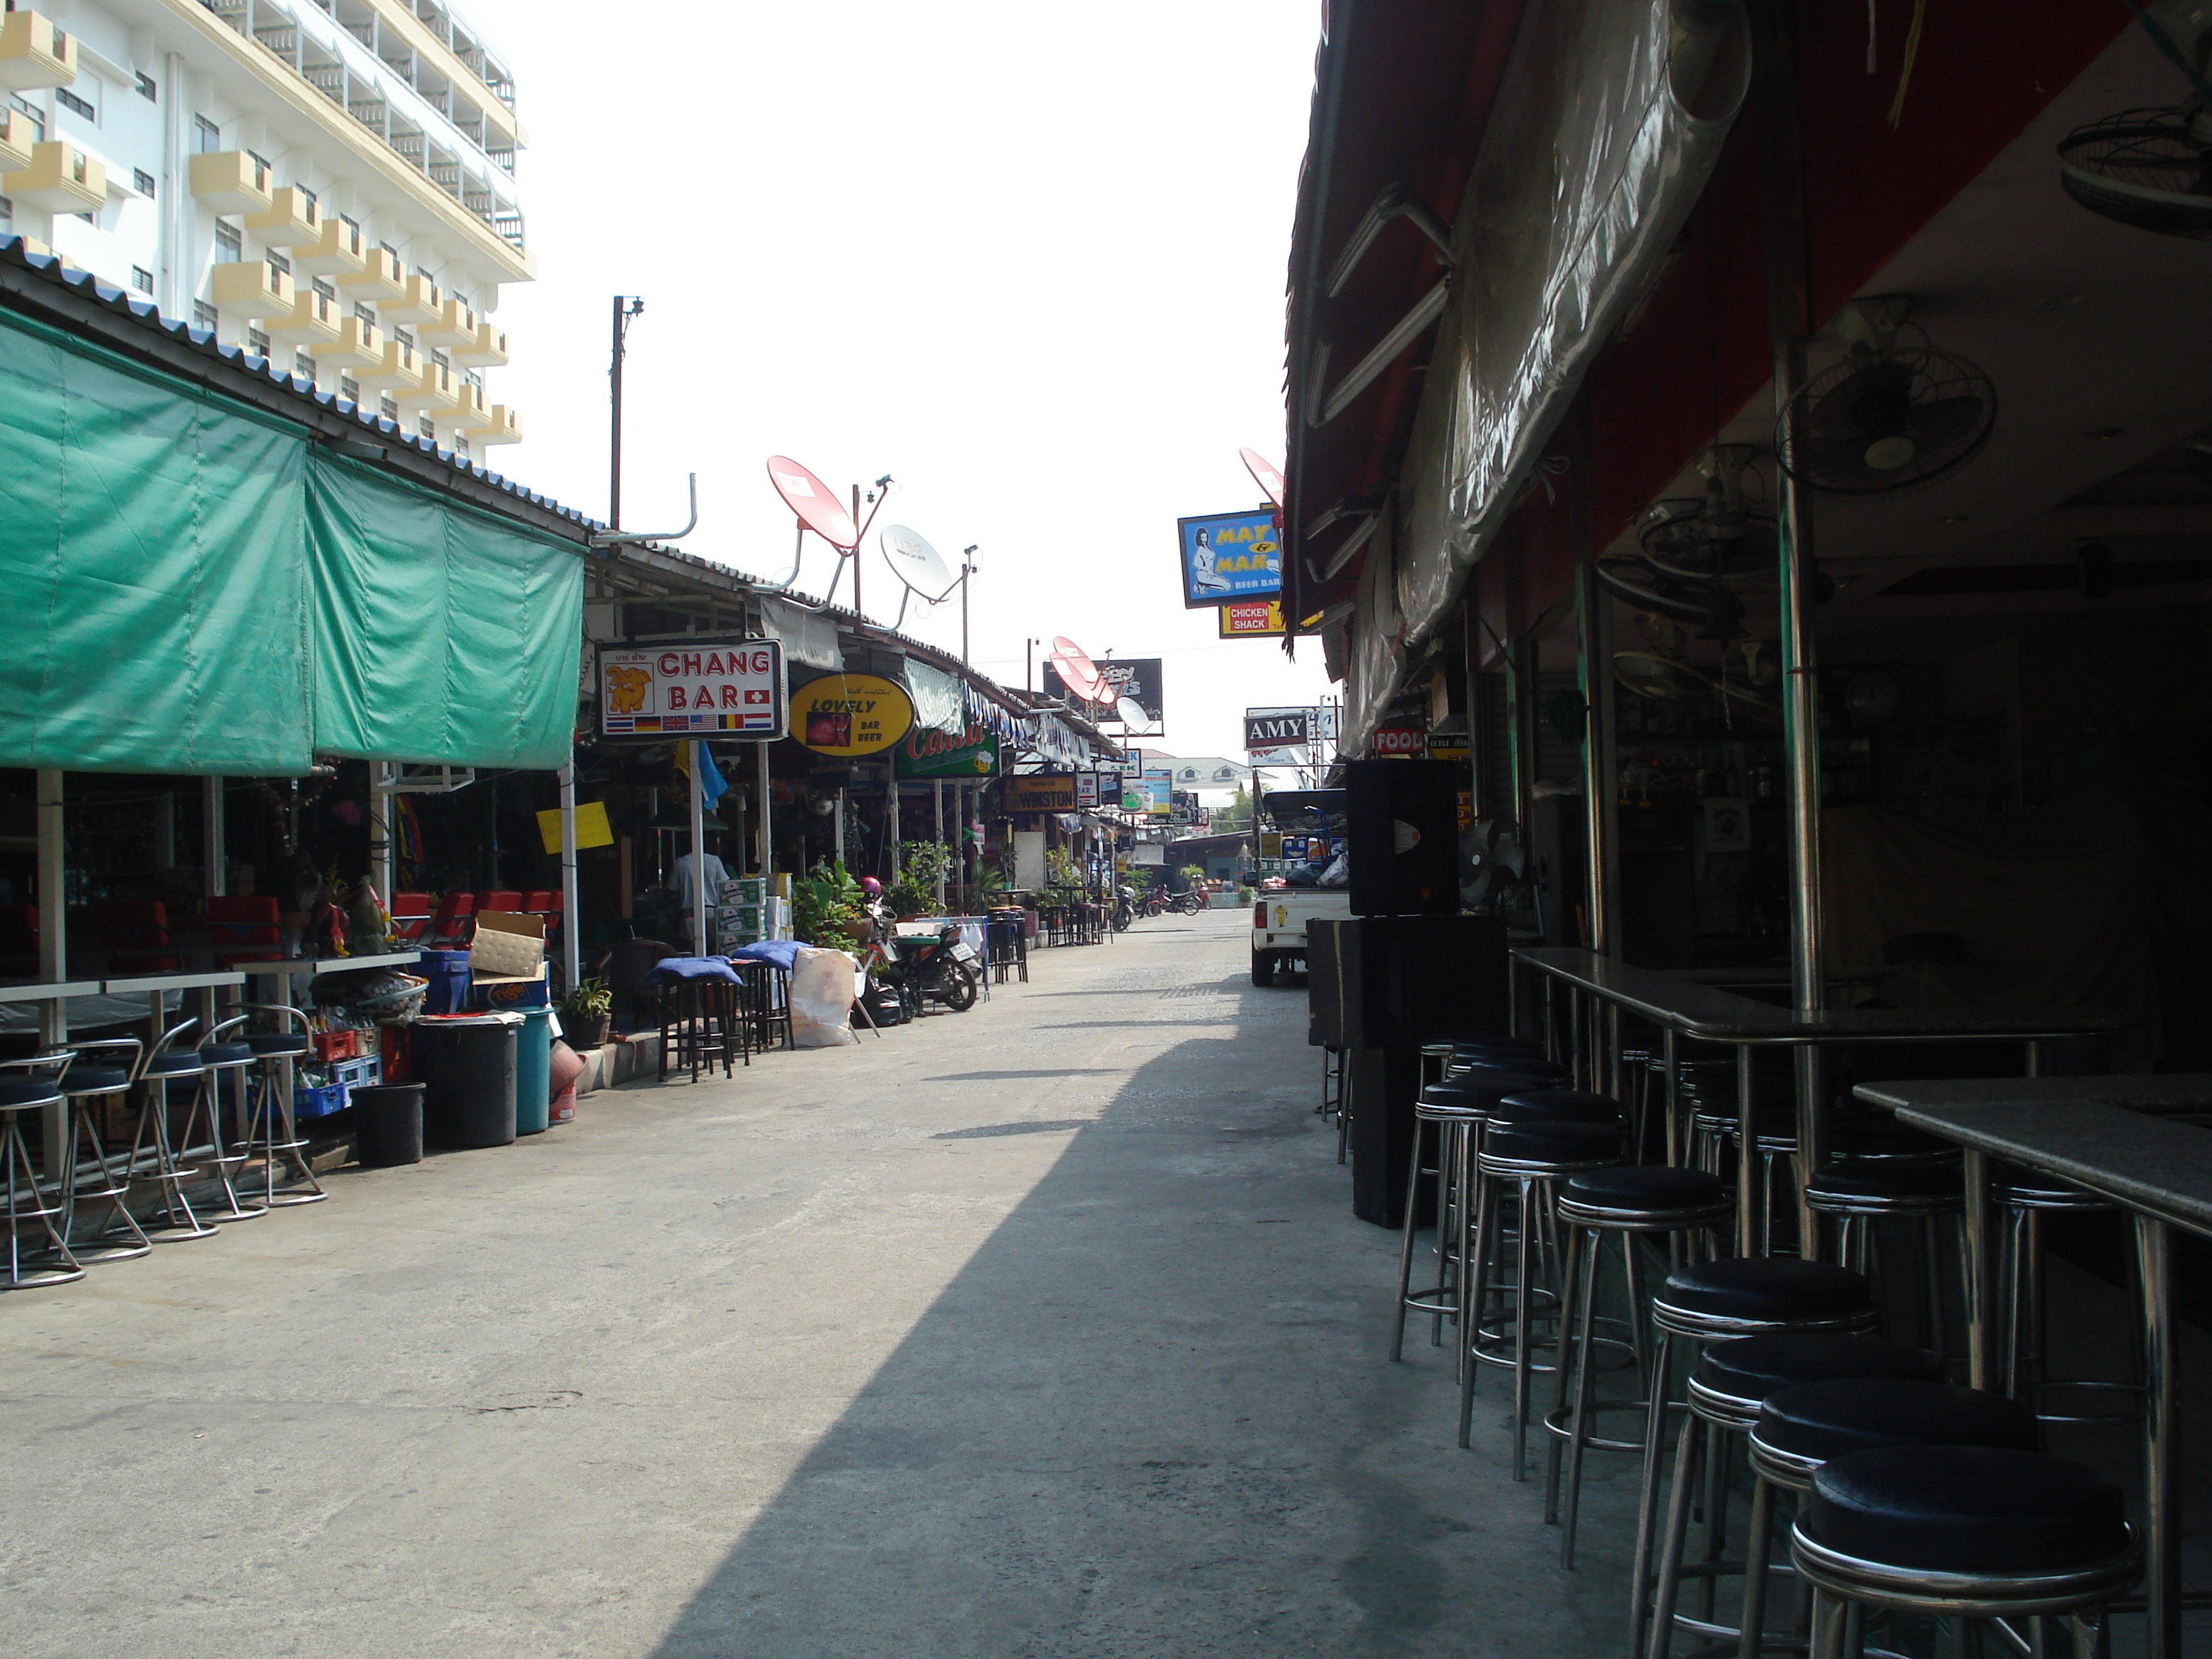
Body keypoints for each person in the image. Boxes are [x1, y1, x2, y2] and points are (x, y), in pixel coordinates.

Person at [667, 836, 729, 902]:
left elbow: (672, 889)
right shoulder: (715, 861)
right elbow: (724, 885)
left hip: (688, 909)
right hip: (711, 907)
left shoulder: (680, 863)